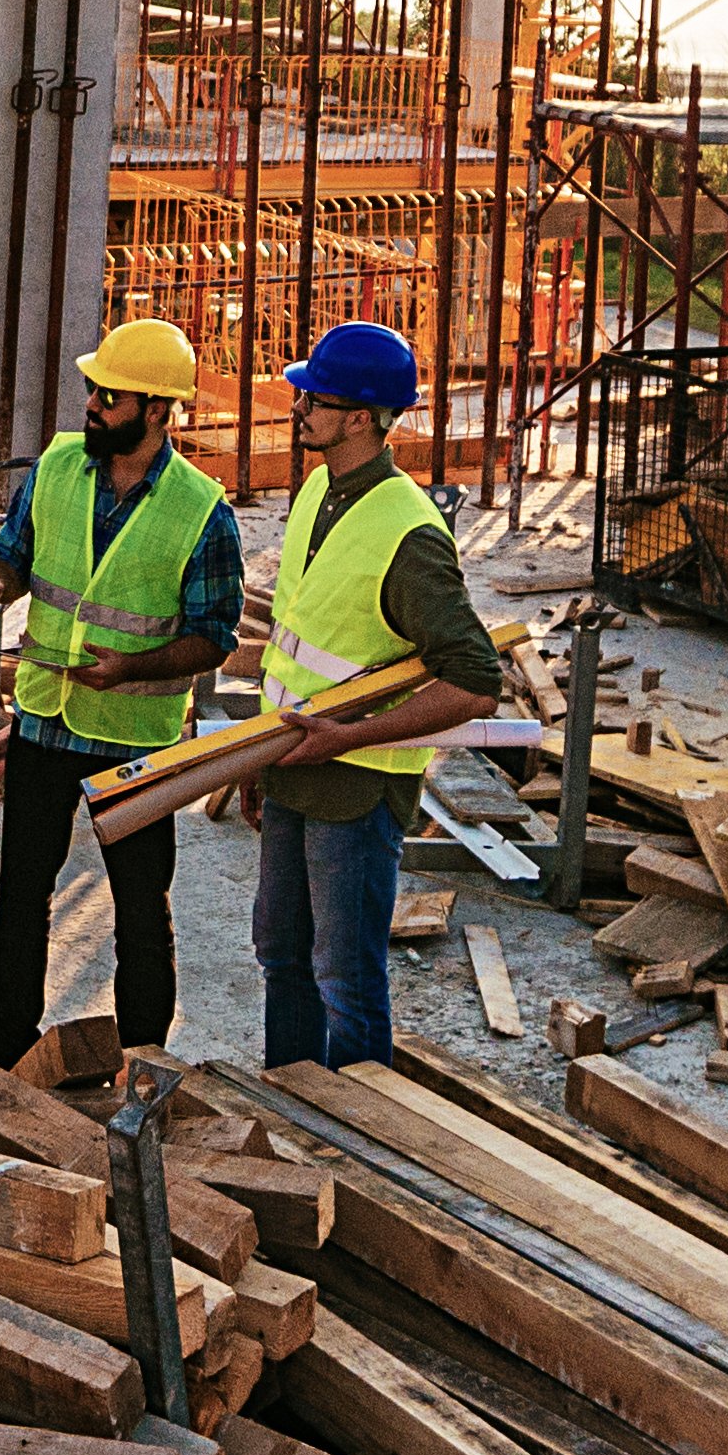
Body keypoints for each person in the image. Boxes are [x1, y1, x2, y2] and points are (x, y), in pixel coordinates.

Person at [0, 316, 237, 1063]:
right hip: (47, 723)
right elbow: (15, 555)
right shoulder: (56, 467)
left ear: (157, 410)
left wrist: (130, 667)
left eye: (109, 395)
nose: (90, 403)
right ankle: (7, 1040)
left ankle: (144, 1056)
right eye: (92, 388)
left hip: (133, 737)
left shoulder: (201, 510)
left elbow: (215, 634)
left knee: (142, 910)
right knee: (22, 895)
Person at [241, 320, 493, 1070]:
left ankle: (359, 1137)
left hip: (356, 786)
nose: (298, 407)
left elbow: (476, 680)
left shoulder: (408, 533)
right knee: (281, 952)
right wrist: (263, 759)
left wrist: (348, 738)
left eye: (314, 397)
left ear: (360, 418)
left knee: (345, 976)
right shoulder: (322, 486)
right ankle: (289, 1099)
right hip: (292, 764)